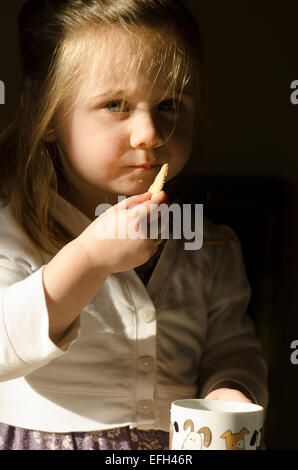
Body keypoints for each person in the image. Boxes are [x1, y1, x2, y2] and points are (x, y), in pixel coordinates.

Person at [0, 0, 267, 450]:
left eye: (169, 104)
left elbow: (231, 348)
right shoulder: (13, 233)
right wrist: (90, 259)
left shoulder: (210, 243)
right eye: (115, 105)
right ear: (45, 116)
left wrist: (230, 389)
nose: (150, 132)